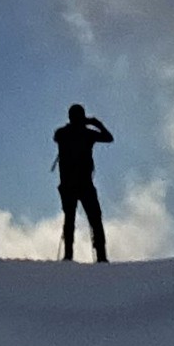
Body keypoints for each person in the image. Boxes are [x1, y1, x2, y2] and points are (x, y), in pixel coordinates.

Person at [52, 104, 113, 262]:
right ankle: (101, 256)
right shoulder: (87, 134)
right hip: (84, 184)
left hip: (68, 185)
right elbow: (108, 137)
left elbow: (56, 136)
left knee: (70, 219)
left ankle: (68, 255)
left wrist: (81, 125)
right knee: (95, 219)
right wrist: (95, 123)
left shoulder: (63, 133)